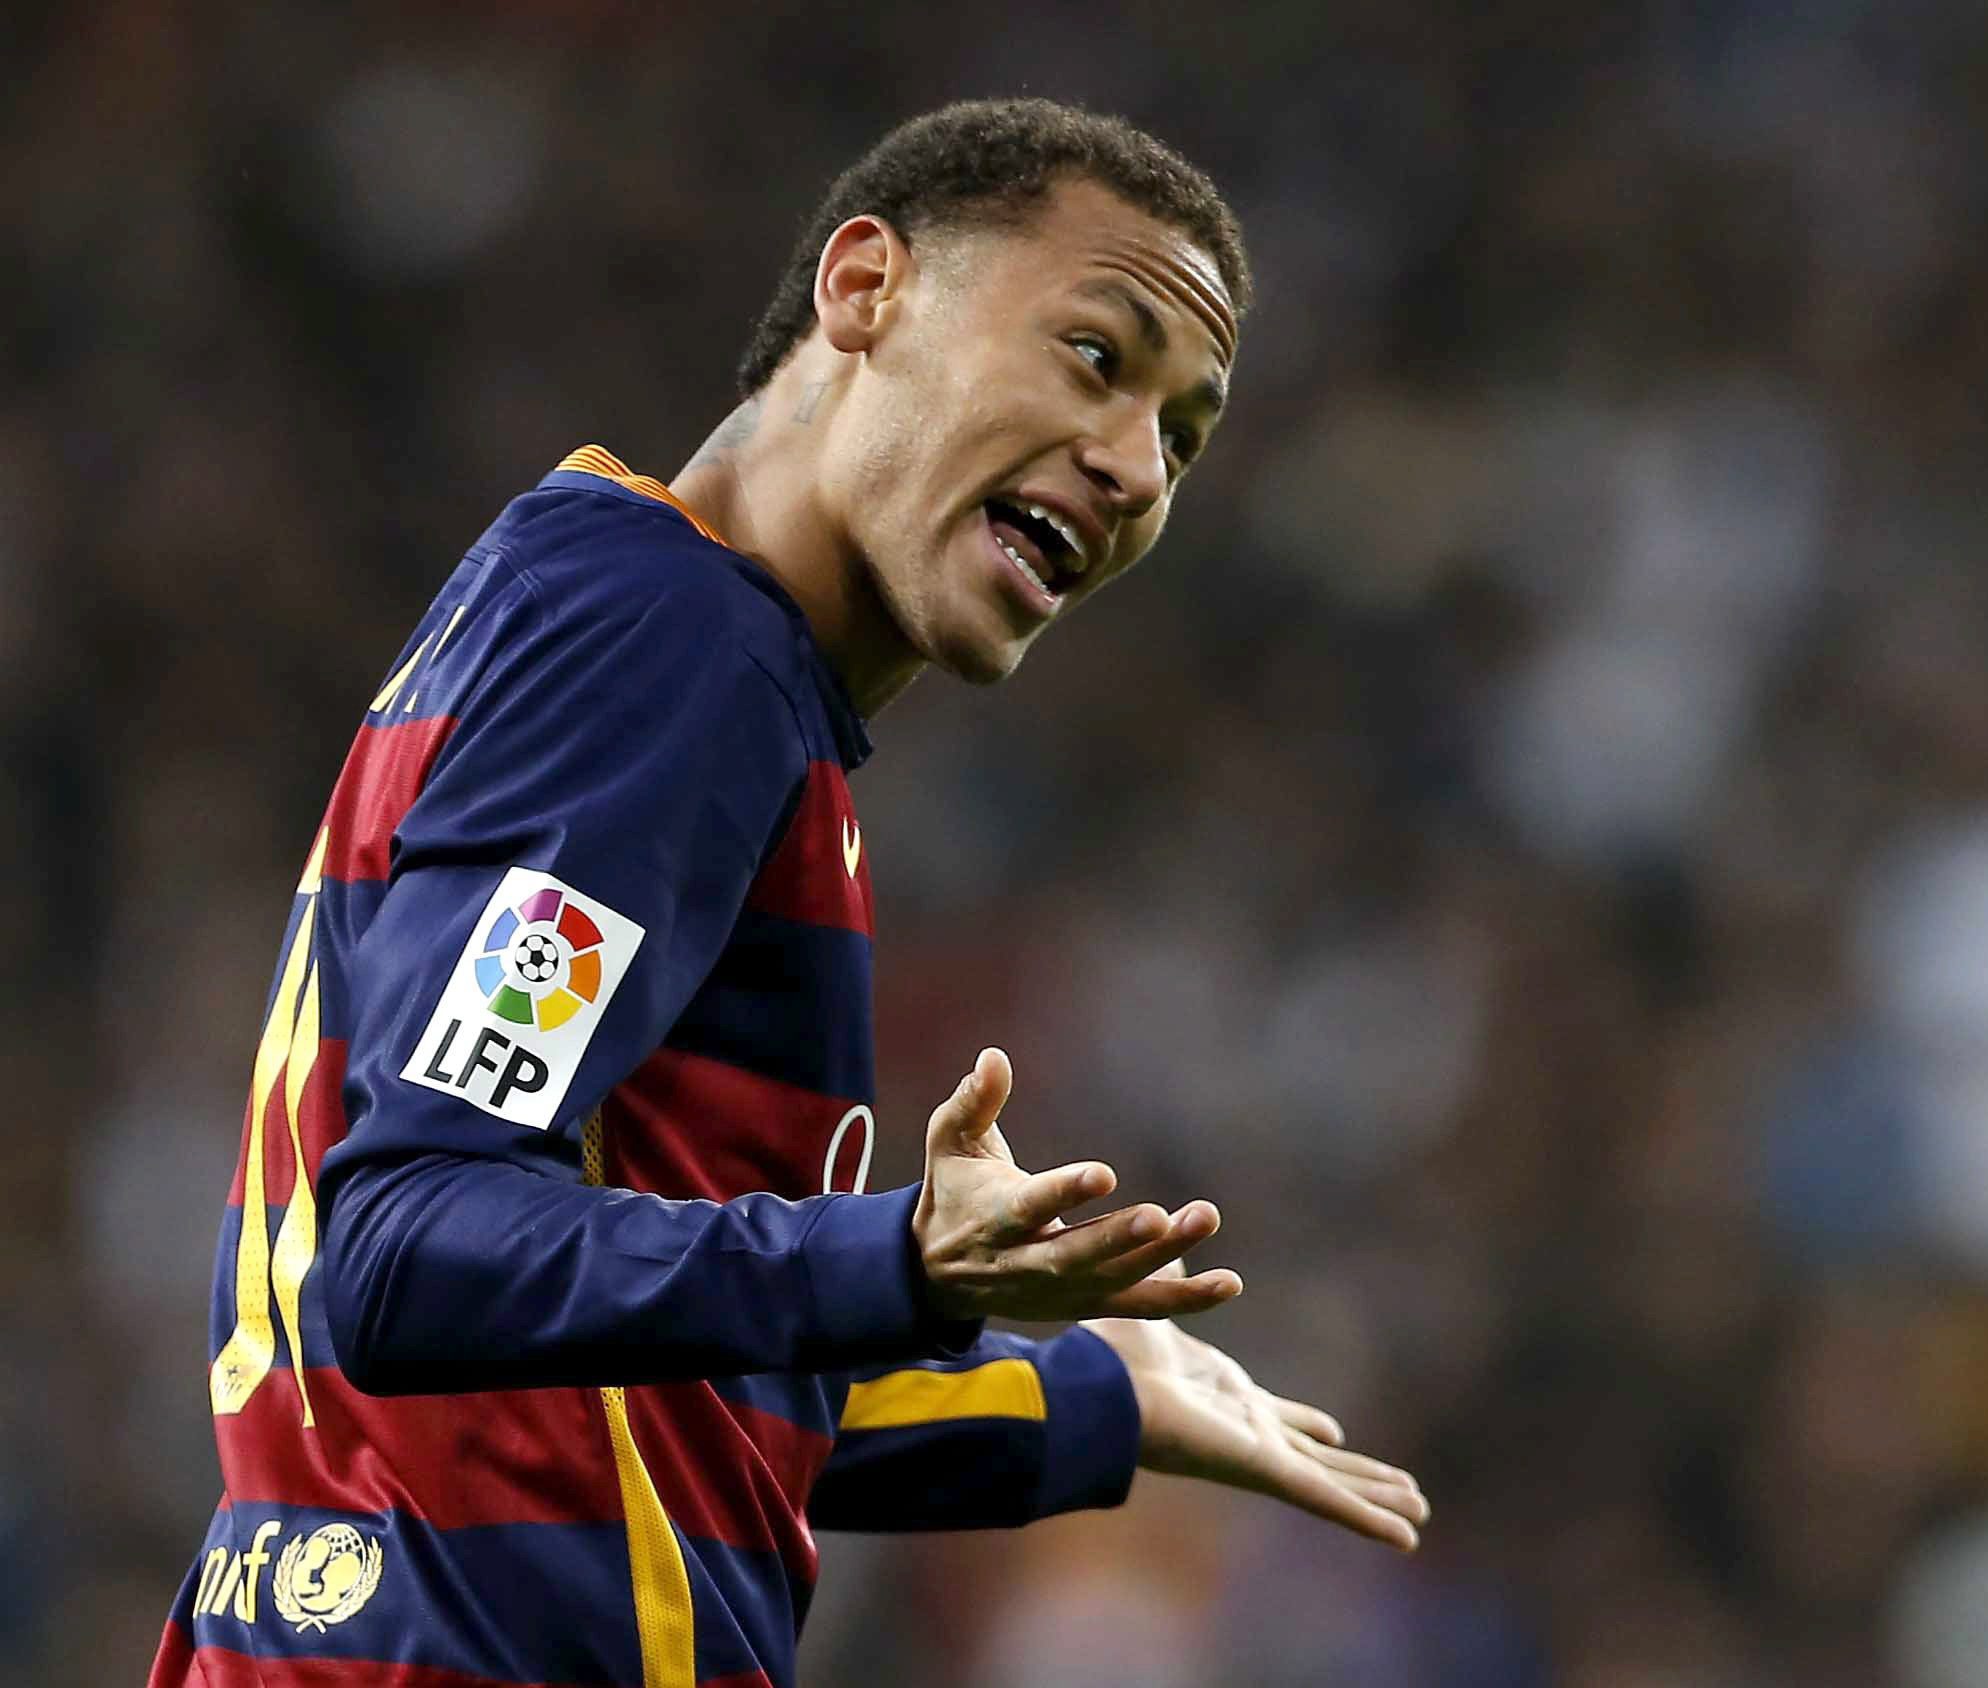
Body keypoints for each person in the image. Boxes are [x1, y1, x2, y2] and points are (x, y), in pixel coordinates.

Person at [148, 97, 1427, 1688]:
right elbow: (412, 1244)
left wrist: (1078, 1395)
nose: (1132, 466)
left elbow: (623, 1383)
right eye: (1098, 356)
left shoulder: (624, 625)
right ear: (866, 287)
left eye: (1182, 436)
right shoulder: (674, 650)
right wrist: (898, 1260)